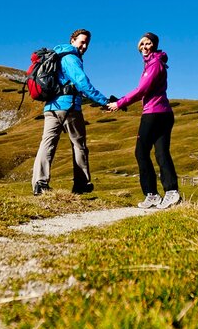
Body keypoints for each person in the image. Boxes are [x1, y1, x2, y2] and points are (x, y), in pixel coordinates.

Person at [31, 29, 111, 196]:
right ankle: (81, 184)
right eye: (82, 42)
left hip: (51, 107)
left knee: (47, 144)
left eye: (87, 43)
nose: (85, 46)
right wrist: (104, 101)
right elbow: (82, 82)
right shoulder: (71, 57)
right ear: (72, 40)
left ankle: (39, 183)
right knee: (79, 145)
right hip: (69, 108)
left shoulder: (57, 55)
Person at [107, 32, 181, 209]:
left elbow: (141, 90)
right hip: (164, 113)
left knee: (141, 153)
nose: (144, 47)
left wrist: (120, 103)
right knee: (161, 153)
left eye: (148, 44)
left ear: (154, 45)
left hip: (153, 114)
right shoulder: (154, 63)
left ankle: (152, 194)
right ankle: (171, 192)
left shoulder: (154, 64)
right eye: (142, 44)